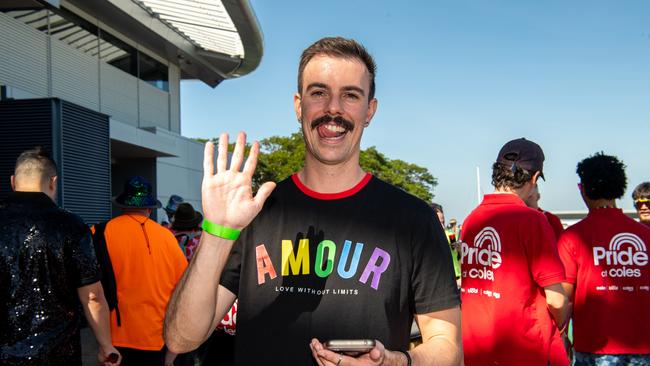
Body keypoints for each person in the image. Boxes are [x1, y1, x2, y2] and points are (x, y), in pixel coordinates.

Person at [165, 37, 461, 366]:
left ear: (369, 111)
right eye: (318, 92)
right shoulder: (252, 213)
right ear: (298, 105)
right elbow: (181, 338)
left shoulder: (414, 220)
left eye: (350, 95)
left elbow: (448, 348)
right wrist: (217, 231)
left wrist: (397, 362)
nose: (333, 108)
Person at [0, 147, 121, 366]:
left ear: (12, 181)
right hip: (57, 352)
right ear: (53, 182)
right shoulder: (71, 225)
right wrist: (106, 345)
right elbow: (92, 296)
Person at [460, 138, 568, 366]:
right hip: (523, 350)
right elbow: (557, 300)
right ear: (535, 177)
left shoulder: (471, 220)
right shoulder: (533, 220)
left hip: (475, 348)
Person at [557, 153, 650, 365]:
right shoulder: (646, 236)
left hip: (594, 348)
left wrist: (561, 335)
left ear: (584, 190)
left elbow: (564, 299)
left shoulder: (573, 237)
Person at [103, 176, 187, 365]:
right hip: (156, 335)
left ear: (122, 205)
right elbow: (183, 287)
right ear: (149, 209)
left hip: (112, 335)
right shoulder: (167, 238)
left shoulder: (100, 233)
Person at [431, 202, 462, 284]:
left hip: (455, 275)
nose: (442, 226)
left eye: (443, 222)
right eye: (439, 222)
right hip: (440, 278)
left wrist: (458, 249)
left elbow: (456, 252)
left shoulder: (450, 233)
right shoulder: (427, 235)